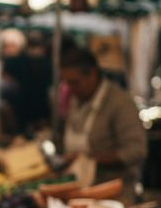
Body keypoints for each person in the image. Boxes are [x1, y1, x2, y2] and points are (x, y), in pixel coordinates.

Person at [57, 47, 148, 199]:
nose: (70, 89)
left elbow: (136, 151)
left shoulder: (120, 103)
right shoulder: (76, 101)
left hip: (115, 196)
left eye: (74, 82)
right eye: (66, 83)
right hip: (79, 193)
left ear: (92, 74)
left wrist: (90, 160)